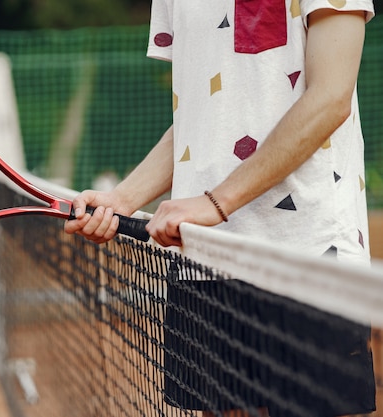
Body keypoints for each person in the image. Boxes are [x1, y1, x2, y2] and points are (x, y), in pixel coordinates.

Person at [65, 1, 376, 416]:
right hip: (205, 257)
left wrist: (218, 201)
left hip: (312, 255)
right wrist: (123, 199)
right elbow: (201, 113)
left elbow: (330, 97)